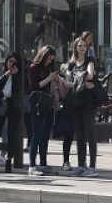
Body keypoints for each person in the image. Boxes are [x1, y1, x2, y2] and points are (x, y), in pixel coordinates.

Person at [65, 37, 99, 177]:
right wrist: (81, 83)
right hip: (76, 102)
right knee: (79, 135)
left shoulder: (90, 60)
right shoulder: (71, 64)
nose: (82, 48)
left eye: (84, 45)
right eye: (80, 45)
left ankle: (92, 166)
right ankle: (81, 165)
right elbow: (66, 82)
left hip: (88, 102)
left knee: (90, 134)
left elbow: (90, 75)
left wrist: (77, 80)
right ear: (75, 47)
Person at [0, 53, 24, 174]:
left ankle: (8, 161)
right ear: (6, 61)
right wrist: (6, 75)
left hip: (12, 105)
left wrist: (15, 75)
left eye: (14, 62)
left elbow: (19, 89)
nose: (12, 64)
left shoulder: (19, 74)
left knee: (11, 134)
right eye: (10, 61)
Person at [27, 45, 60, 176]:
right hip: (37, 103)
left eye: (52, 60)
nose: (49, 62)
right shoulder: (33, 68)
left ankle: (43, 163)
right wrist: (49, 78)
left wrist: (55, 82)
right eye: (48, 59)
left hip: (48, 103)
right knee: (37, 134)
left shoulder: (49, 68)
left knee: (45, 135)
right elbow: (34, 86)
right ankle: (32, 165)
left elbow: (52, 85)